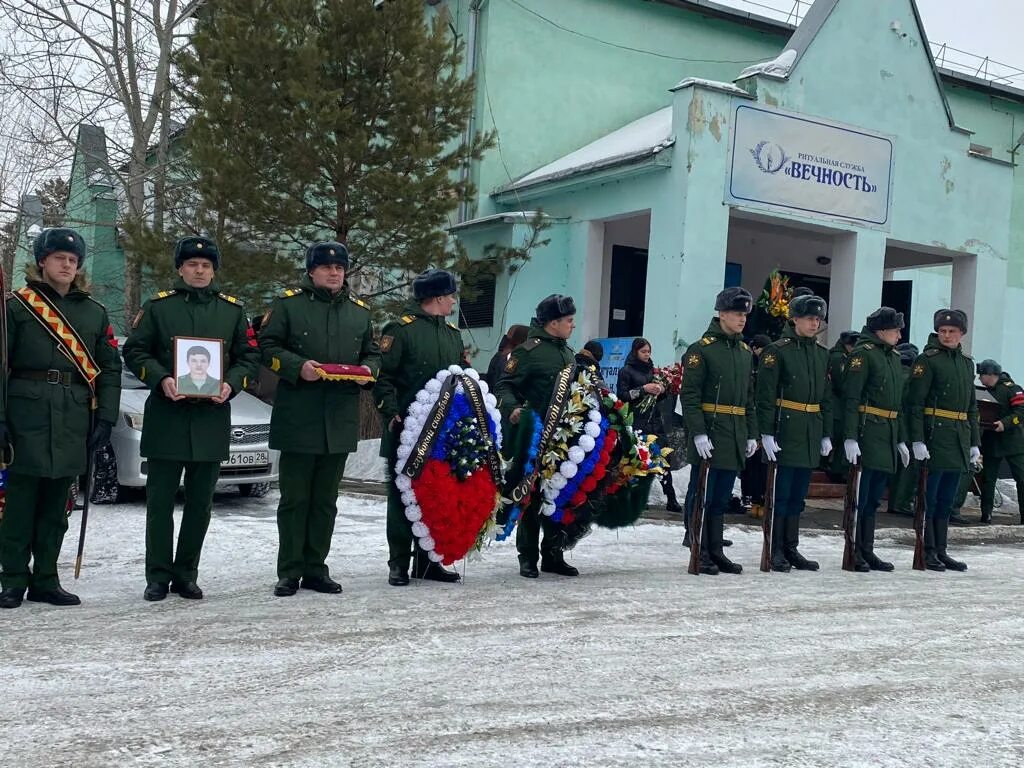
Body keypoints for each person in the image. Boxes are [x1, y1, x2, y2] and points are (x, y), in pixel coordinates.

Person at [123, 236, 260, 601]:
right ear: (180, 269)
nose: (199, 271)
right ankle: (157, 575)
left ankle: (186, 573)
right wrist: (160, 378)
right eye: (192, 264)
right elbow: (134, 351)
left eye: (206, 265)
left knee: (200, 505)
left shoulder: (231, 312)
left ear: (213, 271)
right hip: (168, 417)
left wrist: (231, 384)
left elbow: (249, 358)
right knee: (160, 503)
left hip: (210, 420)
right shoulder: (157, 308)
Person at [0, 228, 121, 609]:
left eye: (72, 260)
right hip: (26, 411)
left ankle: (47, 579)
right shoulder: (17, 307)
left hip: (72, 414)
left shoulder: (94, 312)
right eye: (58, 258)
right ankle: (13, 579)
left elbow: (109, 368)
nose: (66, 265)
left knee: (58, 505)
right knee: (20, 503)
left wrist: (106, 415)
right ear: (42, 262)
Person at [259, 242, 381, 597]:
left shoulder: (360, 313)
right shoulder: (288, 305)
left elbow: (372, 352)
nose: (334, 273)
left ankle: (316, 567)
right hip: (300, 415)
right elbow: (267, 347)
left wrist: (368, 371)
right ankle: (289, 570)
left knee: (326, 501)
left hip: (339, 418)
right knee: (295, 499)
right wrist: (298, 367)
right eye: (326, 267)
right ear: (311, 271)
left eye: (340, 268)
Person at [375, 269, 465, 587]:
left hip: (443, 435)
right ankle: (399, 562)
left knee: (436, 496)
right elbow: (383, 376)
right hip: (407, 432)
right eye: (451, 294)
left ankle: (429, 561)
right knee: (402, 499)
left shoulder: (452, 334)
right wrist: (391, 411)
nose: (454, 300)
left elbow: (460, 376)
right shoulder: (400, 331)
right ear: (438, 298)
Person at [496, 294, 578, 579]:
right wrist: (513, 409)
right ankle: (527, 556)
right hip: (534, 438)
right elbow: (504, 386)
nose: (573, 325)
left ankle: (553, 554)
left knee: (558, 496)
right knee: (530, 497)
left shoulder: (568, 353)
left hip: (564, 438)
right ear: (553, 323)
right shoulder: (527, 352)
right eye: (569, 321)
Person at [679, 287, 758, 575]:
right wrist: (698, 432)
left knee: (721, 497)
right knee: (703, 495)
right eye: (737, 314)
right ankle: (698, 548)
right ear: (722, 314)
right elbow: (689, 395)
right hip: (711, 431)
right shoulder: (702, 350)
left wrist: (751, 432)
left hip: (734, 432)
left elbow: (749, 398)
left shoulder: (744, 351)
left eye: (744, 315)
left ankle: (715, 549)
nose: (742, 320)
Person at [755, 294, 833, 572]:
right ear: (795, 319)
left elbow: (826, 397)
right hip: (784, 428)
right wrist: (765, 433)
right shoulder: (778, 351)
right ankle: (774, 549)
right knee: (781, 495)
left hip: (810, 428)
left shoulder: (821, 354)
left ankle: (791, 547)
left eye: (817, 319)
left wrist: (825, 433)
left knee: (798, 496)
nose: (814, 324)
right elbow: (764, 395)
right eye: (809, 318)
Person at [906, 309, 980, 572]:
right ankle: (927, 550)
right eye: (943, 331)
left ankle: (941, 549)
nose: (947, 335)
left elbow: (971, 406)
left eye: (952, 332)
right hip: (935, 435)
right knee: (931, 497)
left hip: (958, 436)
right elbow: (914, 404)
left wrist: (974, 441)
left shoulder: (966, 363)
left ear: (962, 334)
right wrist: (917, 440)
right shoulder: (928, 360)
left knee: (947, 499)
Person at [841, 308, 908, 573]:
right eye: (896, 330)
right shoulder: (863, 354)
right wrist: (850, 437)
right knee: (860, 496)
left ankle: (867, 550)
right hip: (867, 431)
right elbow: (851, 399)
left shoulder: (891, 355)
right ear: (881, 331)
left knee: (873, 500)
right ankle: (854, 550)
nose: (899, 335)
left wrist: (901, 439)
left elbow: (897, 403)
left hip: (887, 433)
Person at [616, 337, 681, 513]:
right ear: (635, 352)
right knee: (639, 461)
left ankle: (671, 498)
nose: (647, 355)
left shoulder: (653, 371)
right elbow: (622, 395)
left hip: (655, 421)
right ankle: (638, 498)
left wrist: (661, 390)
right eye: (643, 351)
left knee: (663, 459)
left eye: (648, 351)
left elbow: (661, 397)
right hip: (637, 421)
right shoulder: (626, 371)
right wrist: (644, 389)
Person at [976, 359, 1024, 525]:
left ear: (990, 375)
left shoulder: (1013, 389)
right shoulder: (984, 392)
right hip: (992, 441)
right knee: (988, 480)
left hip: (1013, 442)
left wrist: (1005, 423)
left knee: (1022, 478)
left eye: (981, 375)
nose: (980, 379)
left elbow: (1021, 411)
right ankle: (986, 513)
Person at [888, 342, 920, 517]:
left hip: (889, 423)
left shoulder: (893, 372)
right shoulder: (910, 378)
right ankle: (901, 503)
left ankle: (896, 501)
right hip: (907, 424)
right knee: (907, 466)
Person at [741, 334, 772, 517]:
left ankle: (758, 500)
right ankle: (755, 500)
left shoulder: (765, 366)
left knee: (759, 466)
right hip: (754, 421)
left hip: (761, 422)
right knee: (753, 464)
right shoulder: (751, 366)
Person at [827, 330, 860, 478]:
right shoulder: (838, 358)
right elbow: (841, 381)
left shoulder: (844, 356)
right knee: (837, 435)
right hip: (836, 403)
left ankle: (836, 468)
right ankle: (833, 467)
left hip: (840, 403)